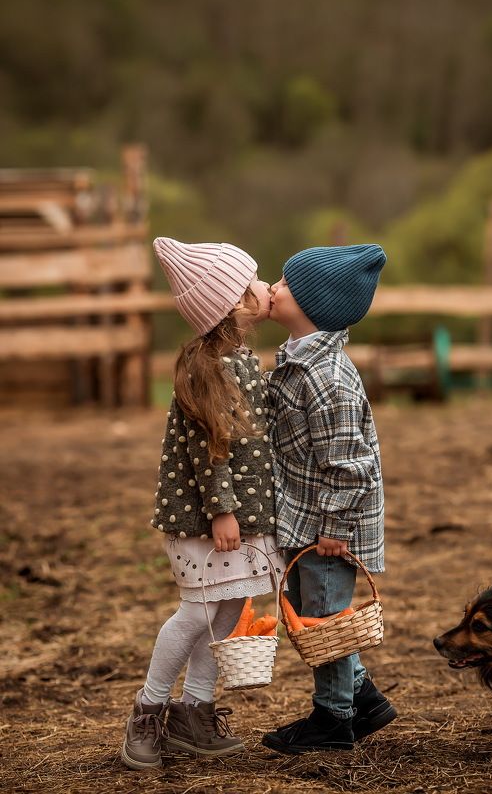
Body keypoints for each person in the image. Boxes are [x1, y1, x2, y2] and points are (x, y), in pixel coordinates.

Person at [121, 239, 283, 770]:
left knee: (231, 608)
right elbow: (209, 447)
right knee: (195, 614)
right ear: (235, 302)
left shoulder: (241, 360)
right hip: (208, 519)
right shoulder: (203, 366)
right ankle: (148, 710)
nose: (265, 287)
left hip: (243, 515)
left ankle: (196, 711)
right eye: (255, 280)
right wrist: (221, 510)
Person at [261, 244, 396, 754]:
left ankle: (334, 719)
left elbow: (350, 464)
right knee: (311, 611)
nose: (273, 288)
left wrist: (335, 528)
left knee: (324, 617)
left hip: (330, 526)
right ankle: (363, 696)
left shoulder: (329, 379)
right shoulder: (299, 360)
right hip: (306, 515)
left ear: (314, 305)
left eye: (284, 283)